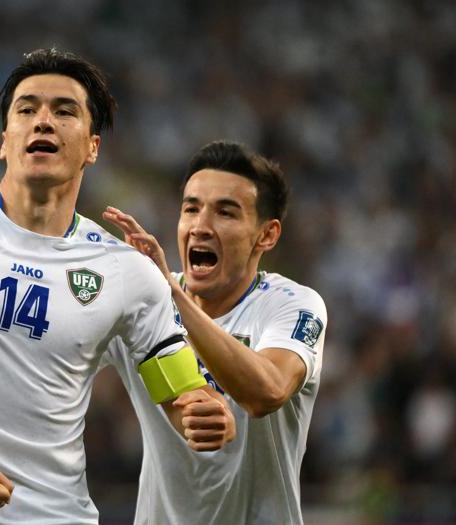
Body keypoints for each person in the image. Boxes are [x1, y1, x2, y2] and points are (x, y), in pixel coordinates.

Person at [0, 48, 231, 524]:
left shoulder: (126, 271)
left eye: (64, 111)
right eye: (27, 109)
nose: (43, 121)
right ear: (5, 140)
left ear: (92, 147)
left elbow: (180, 391)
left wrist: (201, 411)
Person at [102, 140, 327, 524]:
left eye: (225, 212)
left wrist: (171, 294)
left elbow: (266, 392)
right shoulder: (143, 303)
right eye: (191, 209)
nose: (201, 226)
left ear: (266, 235)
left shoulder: (293, 305)